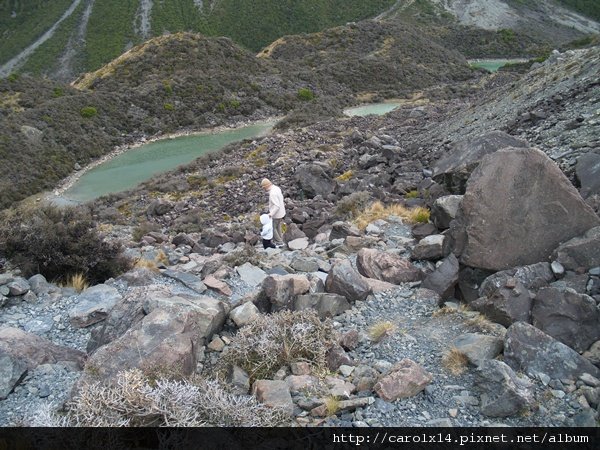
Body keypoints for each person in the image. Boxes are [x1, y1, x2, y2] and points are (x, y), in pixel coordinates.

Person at [261, 178, 286, 248]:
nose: (264, 189)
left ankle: (279, 242)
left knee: (272, 228)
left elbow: (276, 206)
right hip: (282, 212)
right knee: (278, 226)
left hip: (276, 214)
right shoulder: (276, 188)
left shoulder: (272, 193)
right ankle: (281, 240)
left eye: (263, 187)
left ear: (265, 186)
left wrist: (270, 214)